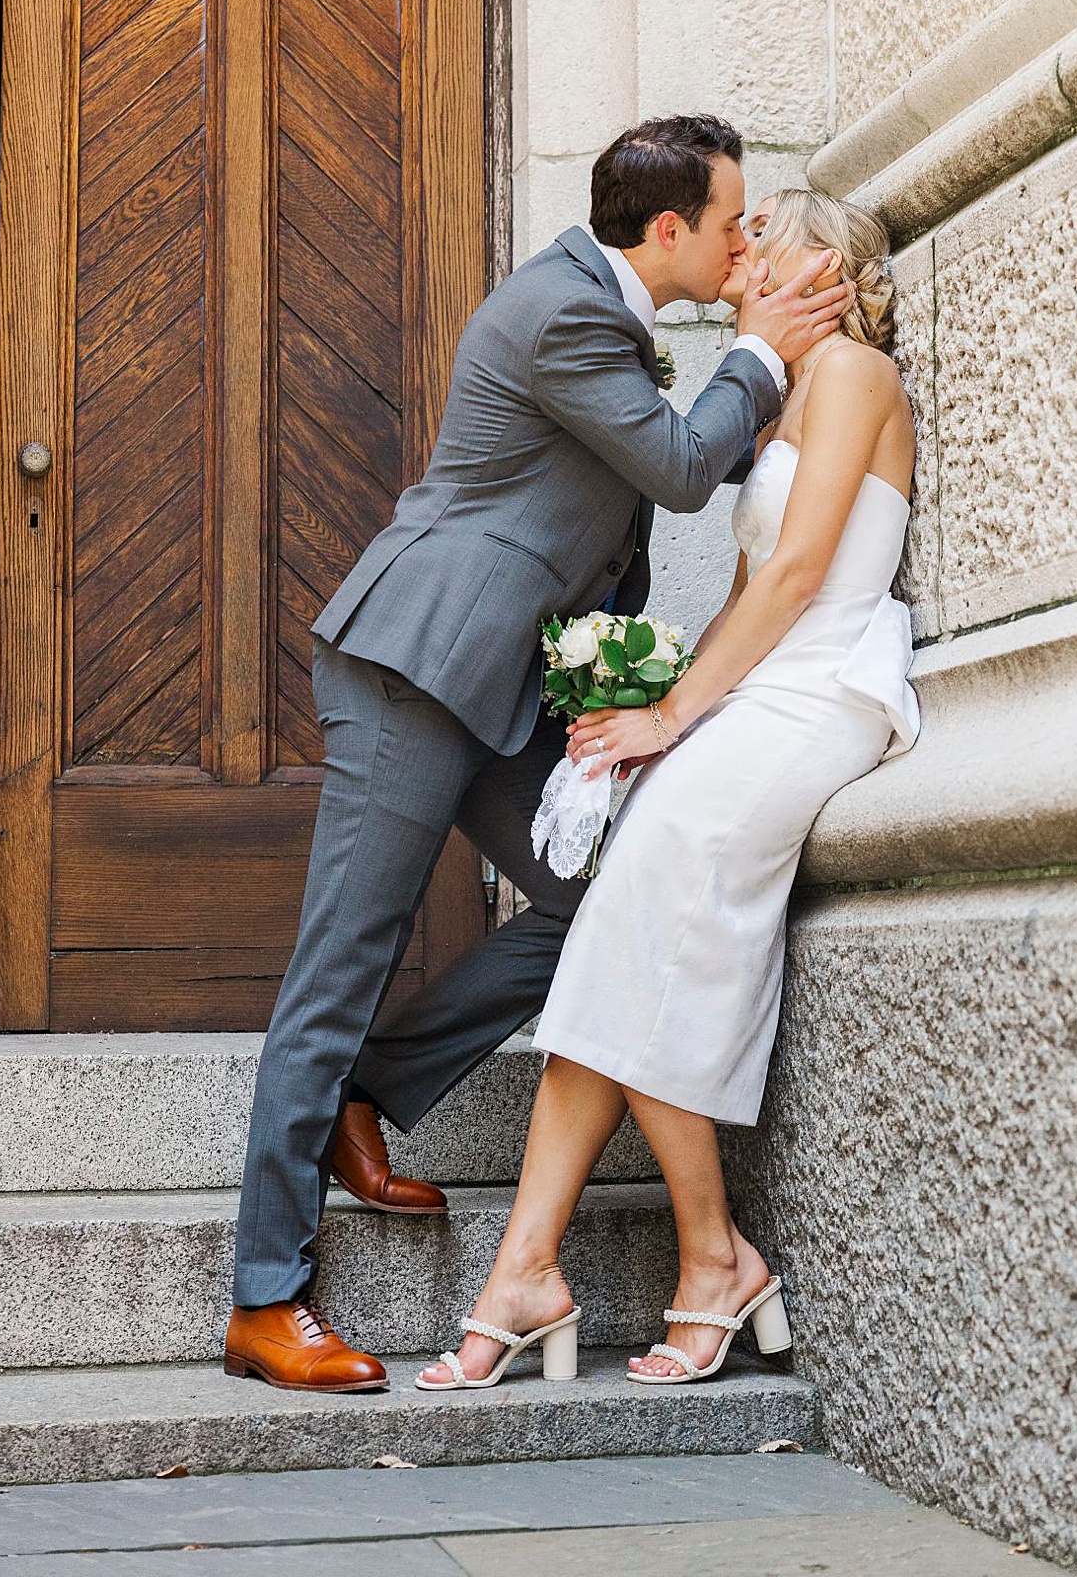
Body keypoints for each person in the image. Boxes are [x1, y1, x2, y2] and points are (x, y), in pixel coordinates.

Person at [224, 117, 854, 1393]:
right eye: (732, 221)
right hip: (415, 664)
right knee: (339, 959)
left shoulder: (604, 319)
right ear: (667, 231)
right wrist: (761, 352)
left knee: (610, 896)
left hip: (499, 684)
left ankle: (375, 1086)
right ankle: (263, 1297)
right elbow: (682, 467)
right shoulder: (562, 309)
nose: (743, 242)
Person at [412, 188, 918, 1394]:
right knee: (611, 930)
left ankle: (709, 1257)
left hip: (822, 691)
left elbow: (798, 577)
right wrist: (662, 713)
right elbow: (751, 585)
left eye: (762, 233)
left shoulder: (852, 374)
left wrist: (673, 711)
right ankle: (529, 1268)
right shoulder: (784, 400)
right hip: (756, 693)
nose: (737, 250)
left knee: (627, 909)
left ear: (823, 268)